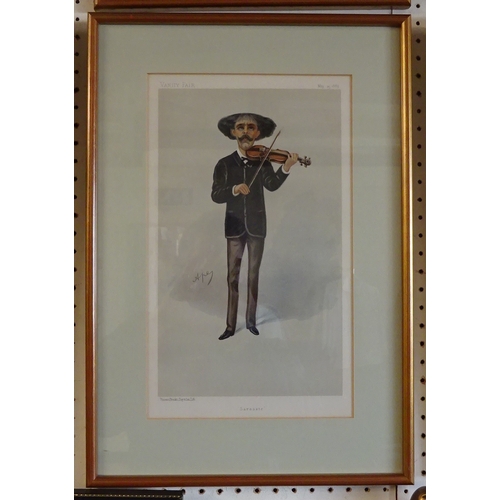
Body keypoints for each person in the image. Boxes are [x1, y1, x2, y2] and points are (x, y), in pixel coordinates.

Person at [211, 113, 299, 340]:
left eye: (251, 128)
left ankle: (251, 322)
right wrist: (234, 189)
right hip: (234, 228)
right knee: (232, 278)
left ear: (258, 133)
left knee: (253, 277)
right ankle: (230, 326)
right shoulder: (224, 164)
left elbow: (272, 185)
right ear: (233, 132)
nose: (245, 132)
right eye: (240, 127)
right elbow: (216, 195)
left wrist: (286, 167)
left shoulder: (264, 160)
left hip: (257, 227)